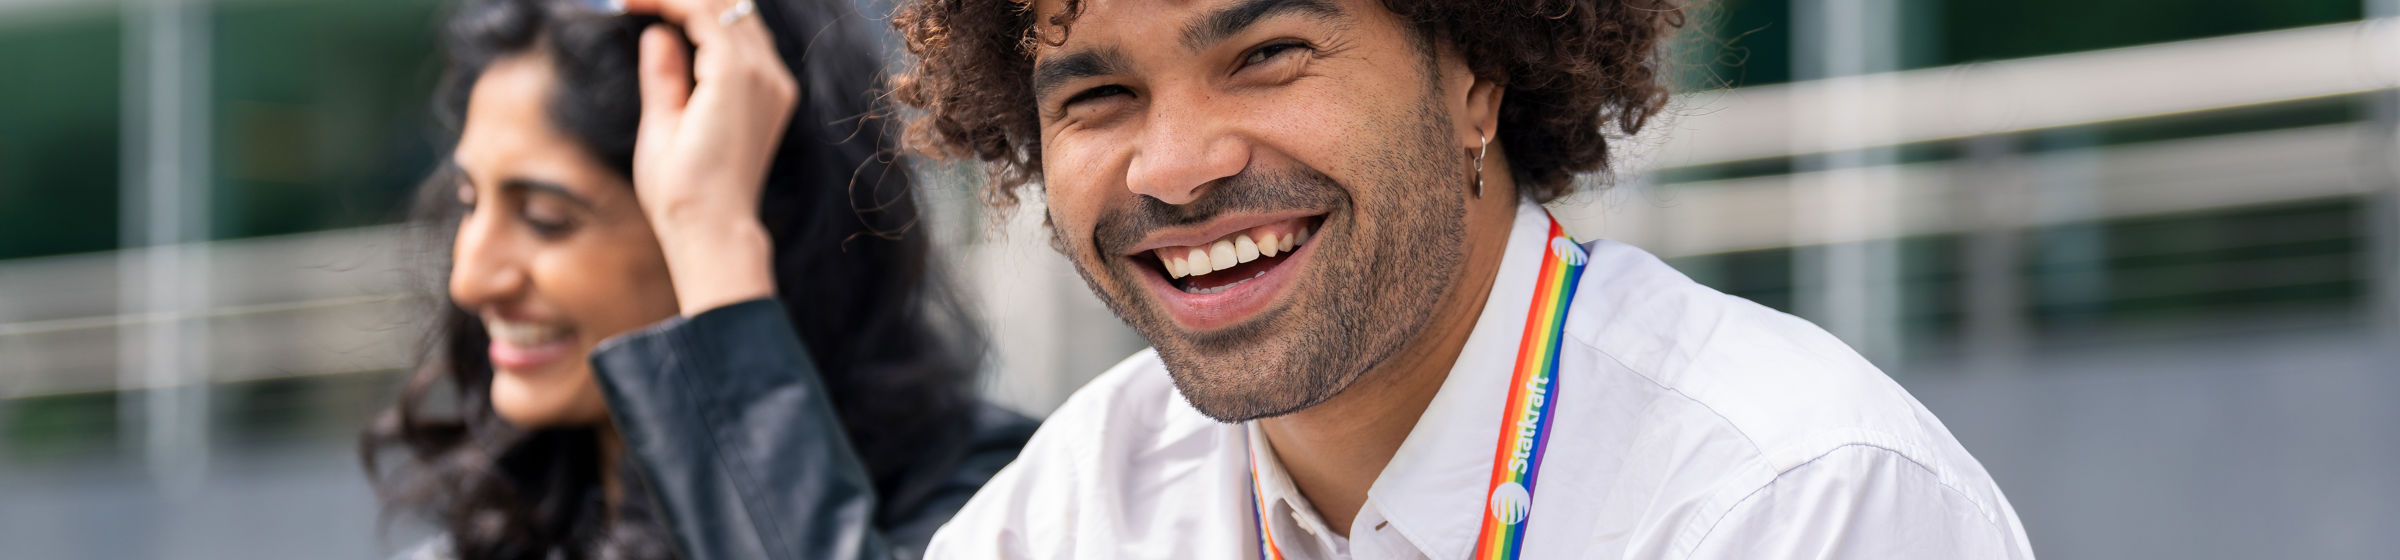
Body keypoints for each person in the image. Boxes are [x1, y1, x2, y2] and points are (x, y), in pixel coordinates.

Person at [876, 0, 2040, 557]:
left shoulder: (1789, 504)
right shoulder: (1074, 513)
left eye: (1266, 57)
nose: (1177, 169)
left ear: (1477, 76)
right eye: (1097, 98)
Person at [357, 0, 1033, 558]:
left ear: (755, 211)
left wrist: (711, 237)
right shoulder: (482, 540)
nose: (471, 280)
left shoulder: (1001, 504)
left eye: (545, 218)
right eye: (470, 202)